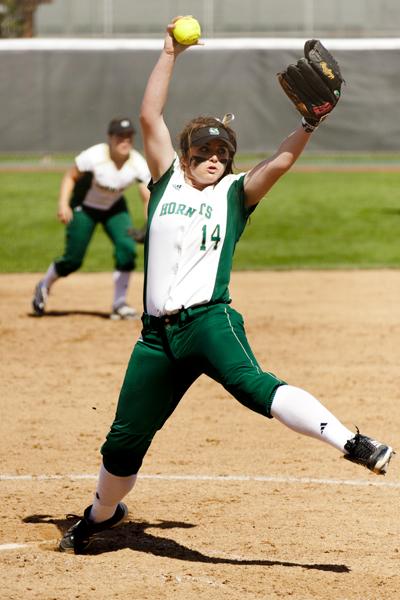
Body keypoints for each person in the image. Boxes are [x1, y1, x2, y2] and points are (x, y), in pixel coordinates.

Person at [58, 19, 394, 554]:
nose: (213, 157)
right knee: (123, 443)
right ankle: (101, 513)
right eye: (203, 152)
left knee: (251, 384)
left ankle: (351, 441)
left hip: (209, 322)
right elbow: (150, 116)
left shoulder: (235, 193)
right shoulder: (166, 180)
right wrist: (170, 52)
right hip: (155, 340)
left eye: (221, 152)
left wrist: (308, 126)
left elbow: (279, 163)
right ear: (184, 157)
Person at [32, 117, 151, 320]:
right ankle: (44, 285)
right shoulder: (95, 155)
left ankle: (119, 303)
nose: (125, 140)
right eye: (120, 136)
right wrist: (63, 204)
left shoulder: (137, 162)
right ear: (110, 138)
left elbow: (146, 194)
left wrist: (150, 225)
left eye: (129, 136)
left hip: (114, 207)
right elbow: (70, 176)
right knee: (73, 259)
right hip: (84, 207)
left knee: (126, 249)